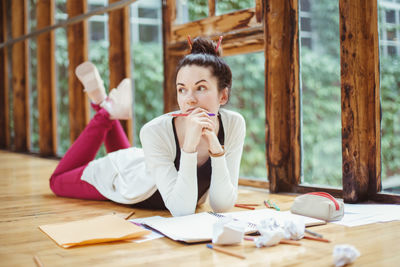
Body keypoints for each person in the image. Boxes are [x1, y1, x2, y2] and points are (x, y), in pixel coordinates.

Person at [49, 36, 246, 217]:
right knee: (56, 182)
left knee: (135, 164)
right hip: (122, 177)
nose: (189, 100)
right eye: (182, 89)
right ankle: (106, 112)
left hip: (143, 168)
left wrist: (215, 148)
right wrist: (189, 146)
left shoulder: (233, 124)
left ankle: (103, 102)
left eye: (200, 88)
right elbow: (182, 211)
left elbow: (222, 206)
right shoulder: (154, 130)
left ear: (224, 95)